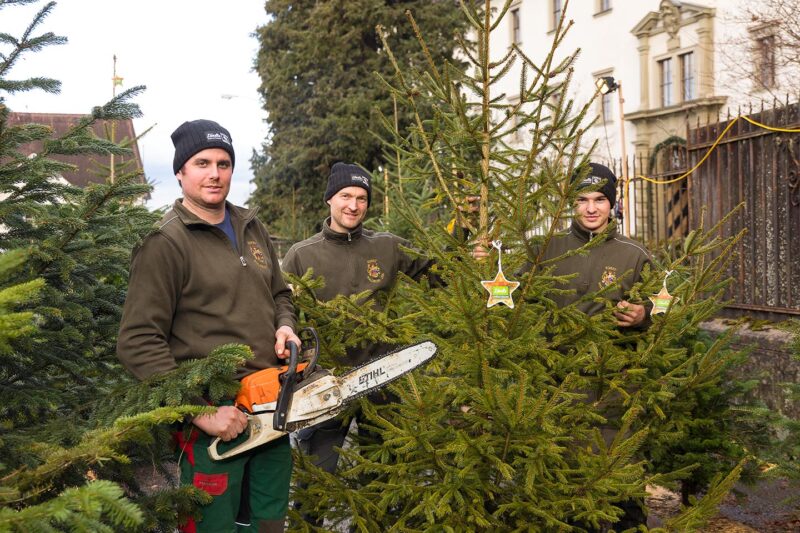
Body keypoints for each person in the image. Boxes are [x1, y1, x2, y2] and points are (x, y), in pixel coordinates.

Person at [117, 119, 301, 533]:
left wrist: (285, 326)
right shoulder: (165, 243)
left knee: (269, 524)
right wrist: (200, 411)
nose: (214, 173)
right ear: (180, 172)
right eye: (202, 163)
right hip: (215, 421)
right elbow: (137, 341)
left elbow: (279, 294)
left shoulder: (251, 226)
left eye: (223, 163)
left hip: (272, 409)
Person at [474, 162, 651, 530]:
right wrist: (484, 267)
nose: (591, 208)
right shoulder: (545, 250)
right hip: (555, 390)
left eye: (599, 200)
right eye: (582, 199)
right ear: (570, 203)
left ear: (612, 204)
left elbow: (670, 299)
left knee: (622, 481)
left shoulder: (632, 253)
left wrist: (645, 313)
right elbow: (506, 294)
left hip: (613, 391)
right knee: (562, 488)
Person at [281, 162, 439, 487]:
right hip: (323, 382)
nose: (353, 205)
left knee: (379, 478)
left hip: (381, 376)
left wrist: (475, 259)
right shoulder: (301, 255)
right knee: (317, 478)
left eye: (361, 198)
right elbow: (282, 311)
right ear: (329, 198)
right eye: (345, 195)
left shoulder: (387, 246)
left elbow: (437, 272)